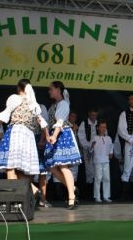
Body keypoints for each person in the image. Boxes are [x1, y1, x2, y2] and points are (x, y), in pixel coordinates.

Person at [0, 79, 48, 189]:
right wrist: (47, 136)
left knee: (10, 167)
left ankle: (17, 194)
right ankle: (33, 190)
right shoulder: (34, 104)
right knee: (21, 171)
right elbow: (41, 121)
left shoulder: (15, 98)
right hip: (29, 136)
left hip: (17, 132)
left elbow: (5, 114)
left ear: (19, 88)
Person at [44, 81, 82, 209]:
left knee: (63, 166)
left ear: (58, 90)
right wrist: (46, 137)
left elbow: (60, 121)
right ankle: (72, 188)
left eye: (51, 89)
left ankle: (71, 197)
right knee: (51, 167)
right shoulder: (53, 105)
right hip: (54, 135)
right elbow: (49, 123)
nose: (49, 91)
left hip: (62, 135)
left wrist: (54, 136)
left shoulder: (63, 104)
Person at [90, 120, 113, 203]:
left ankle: (106, 196)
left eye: (104, 127)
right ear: (98, 128)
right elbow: (90, 150)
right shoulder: (94, 138)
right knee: (98, 178)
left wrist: (111, 153)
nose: (103, 129)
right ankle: (97, 196)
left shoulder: (108, 138)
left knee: (106, 178)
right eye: (102, 127)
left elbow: (111, 147)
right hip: (98, 160)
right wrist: (92, 146)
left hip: (106, 160)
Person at [78, 107, 99, 191]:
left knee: (98, 169)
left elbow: (104, 135)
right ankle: (89, 190)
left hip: (98, 150)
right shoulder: (84, 123)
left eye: (95, 115)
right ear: (89, 114)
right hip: (87, 149)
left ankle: (96, 190)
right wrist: (89, 146)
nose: (94, 117)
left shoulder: (99, 123)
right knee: (89, 169)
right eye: (92, 115)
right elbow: (81, 137)